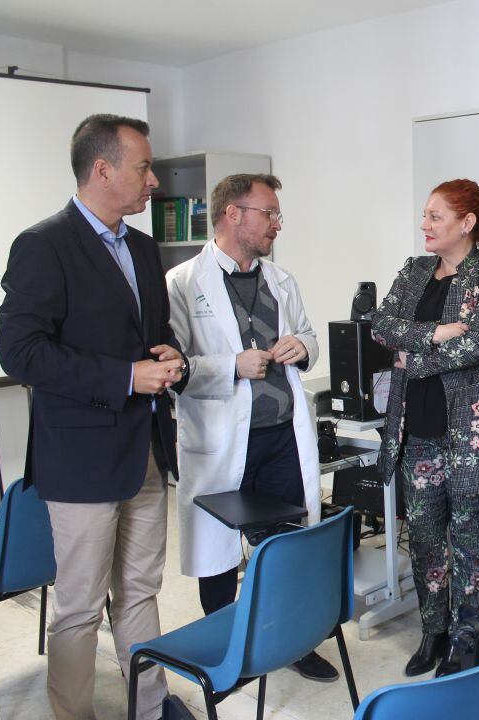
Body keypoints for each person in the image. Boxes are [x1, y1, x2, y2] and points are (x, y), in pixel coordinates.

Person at [0, 114, 193, 720]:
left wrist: (169, 355)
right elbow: (20, 352)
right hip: (80, 459)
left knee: (140, 592)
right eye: (143, 167)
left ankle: (151, 706)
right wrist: (123, 377)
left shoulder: (141, 245)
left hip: (145, 450)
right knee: (80, 606)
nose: (153, 179)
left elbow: (148, 334)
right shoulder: (43, 243)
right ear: (102, 170)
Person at [165, 173, 339, 682]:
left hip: (282, 435)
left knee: (285, 545)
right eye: (270, 213)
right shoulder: (182, 282)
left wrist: (303, 348)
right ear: (233, 214)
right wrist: (229, 366)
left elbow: (306, 332)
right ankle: (227, 647)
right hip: (222, 441)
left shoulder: (280, 280)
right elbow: (175, 367)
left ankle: (293, 642)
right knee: (218, 552)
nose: (277, 224)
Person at [373, 178, 479, 677]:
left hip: (474, 438)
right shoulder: (415, 271)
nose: (425, 225)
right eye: (425, 215)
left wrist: (409, 359)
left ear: (467, 223)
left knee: (470, 540)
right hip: (416, 430)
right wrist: (434, 333)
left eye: (435, 216)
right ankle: (432, 631)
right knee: (423, 537)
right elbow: (379, 325)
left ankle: (464, 636)